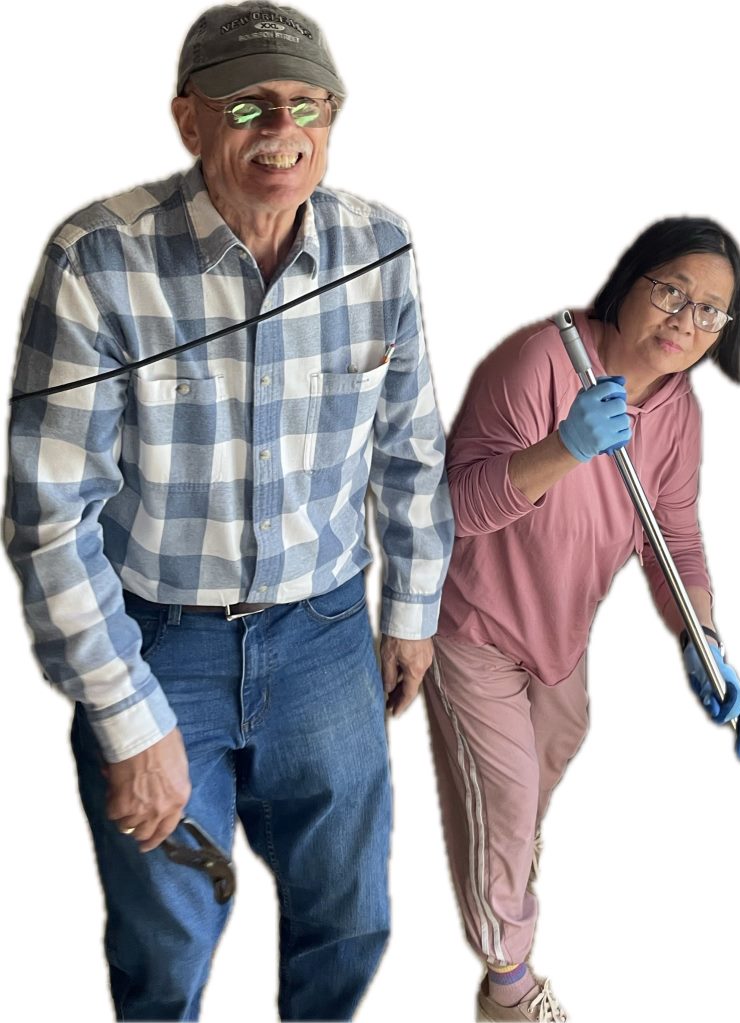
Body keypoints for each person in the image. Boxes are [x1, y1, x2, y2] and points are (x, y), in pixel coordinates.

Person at [3, 3, 453, 1020]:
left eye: (307, 105)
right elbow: (49, 515)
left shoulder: (380, 245)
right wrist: (126, 714)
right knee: (167, 944)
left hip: (326, 635)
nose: (282, 130)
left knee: (350, 918)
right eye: (248, 105)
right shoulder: (98, 259)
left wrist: (412, 610)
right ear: (189, 120)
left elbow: (410, 446)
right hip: (159, 645)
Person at [422, 217, 740, 1022]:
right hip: (474, 626)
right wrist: (565, 447)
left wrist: (703, 641)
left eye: (710, 311)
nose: (685, 320)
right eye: (672, 291)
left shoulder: (678, 412)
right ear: (631, 280)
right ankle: (508, 985)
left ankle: (505, 853)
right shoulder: (542, 362)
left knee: (556, 746)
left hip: (560, 638)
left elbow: (673, 538)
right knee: (506, 803)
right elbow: (449, 511)